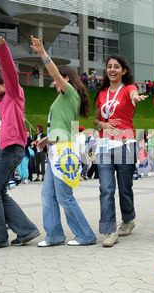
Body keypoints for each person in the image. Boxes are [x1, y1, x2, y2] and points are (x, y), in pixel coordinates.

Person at [30, 35, 97, 247]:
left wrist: (42, 53)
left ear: (66, 79)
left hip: (63, 150)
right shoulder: (64, 99)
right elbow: (67, 127)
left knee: (64, 196)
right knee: (48, 195)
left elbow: (55, 73)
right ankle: (54, 235)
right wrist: (46, 140)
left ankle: (86, 235)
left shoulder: (70, 93)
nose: (53, 81)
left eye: (58, 79)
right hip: (57, 147)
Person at [0, 36, 40, 248]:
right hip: (9, 147)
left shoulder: (13, 92)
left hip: (11, 149)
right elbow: (7, 124)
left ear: (4, 83)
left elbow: (11, 73)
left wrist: (2, 51)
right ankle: (26, 230)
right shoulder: (2, 101)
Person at [93, 54, 147, 247]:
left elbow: (133, 94)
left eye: (116, 67)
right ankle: (109, 230)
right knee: (105, 188)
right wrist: (102, 125)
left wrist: (135, 97)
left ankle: (128, 219)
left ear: (124, 71)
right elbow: (96, 120)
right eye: (109, 66)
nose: (112, 70)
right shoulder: (102, 93)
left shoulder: (129, 89)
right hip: (104, 146)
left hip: (125, 144)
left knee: (124, 188)